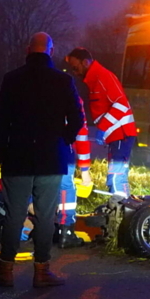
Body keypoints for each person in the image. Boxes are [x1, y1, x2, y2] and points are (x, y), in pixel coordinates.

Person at [0, 32, 84, 288]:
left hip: (17, 158)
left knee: (14, 214)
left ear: (27, 49)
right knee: (45, 216)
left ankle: (5, 271)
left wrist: (2, 153)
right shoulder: (63, 81)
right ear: (51, 51)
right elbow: (77, 118)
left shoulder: (11, 79)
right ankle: (42, 271)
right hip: (51, 157)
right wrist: (61, 139)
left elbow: (1, 122)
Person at [65, 47, 137, 196]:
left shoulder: (102, 77)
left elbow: (121, 104)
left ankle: (122, 208)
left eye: (75, 67)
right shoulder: (95, 79)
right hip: (116, 135)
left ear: (85, 62)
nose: (74, 72)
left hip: (120, 134)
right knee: (115, 175)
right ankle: (119, 207)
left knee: (116, 176)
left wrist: (103, 128)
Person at [56, 99, 92, 247]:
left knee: (38, 184)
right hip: (62, 146)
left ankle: (39, 229)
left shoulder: (33, 90)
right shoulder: (71, 96)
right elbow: (81, 135)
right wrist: (85, 170)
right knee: (66, 187)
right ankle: (66, 232)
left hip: (35, 145)